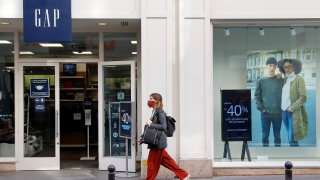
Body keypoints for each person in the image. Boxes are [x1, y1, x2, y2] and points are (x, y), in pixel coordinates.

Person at [139, 93, 190, 180]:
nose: (149, 101)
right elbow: (151, 128)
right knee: (167, 161)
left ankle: (150, 179)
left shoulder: (160, 111)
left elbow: (163, 126)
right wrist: (143, 136)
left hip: (158, 142)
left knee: (152, 163)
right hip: (157, 141)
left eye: (151, 99)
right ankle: (184, 175)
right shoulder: (154, 111)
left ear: (157, 101)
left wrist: (151, 124)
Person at [278, 59, 308, 147]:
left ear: (294, 68)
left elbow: (303, 97)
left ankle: (297, 155)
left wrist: (292, 107)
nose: (286, 69)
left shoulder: (299, 79)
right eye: (285, 67)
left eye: (289, 66)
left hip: (292, 112)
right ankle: (295, 153)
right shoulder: (286, 78)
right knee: (290, 136)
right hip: (283, 112)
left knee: (292, 138)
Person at [254, 57, 284, 147]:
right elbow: (257, 96)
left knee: (277, 136)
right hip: (265, 114)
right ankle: (266, 155)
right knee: (265, 136)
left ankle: (277, 154)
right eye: (270, 65)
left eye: (274, 66)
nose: (272, 68)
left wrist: (281, 75)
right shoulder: (261, 81)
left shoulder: (280, 80)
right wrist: (261, 109)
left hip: (278, 114)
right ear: (266, 66)